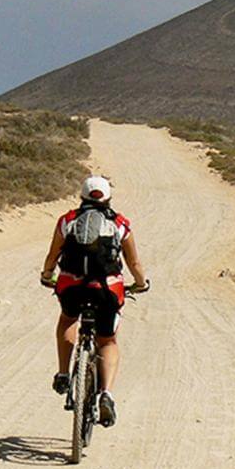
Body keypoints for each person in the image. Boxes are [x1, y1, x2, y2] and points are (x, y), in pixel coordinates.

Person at [40, 175, 148, 427]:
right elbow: (134, 264)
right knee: (107, 340)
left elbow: (53, 255)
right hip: (107, 289)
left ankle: (64, 373)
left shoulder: (67, 220)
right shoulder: (120, 223)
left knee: (68, 319)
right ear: (108, 197)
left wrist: (47, 275)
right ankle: (106, 394)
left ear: (82, 197)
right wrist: (141, 283)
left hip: (71, 286)